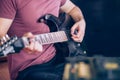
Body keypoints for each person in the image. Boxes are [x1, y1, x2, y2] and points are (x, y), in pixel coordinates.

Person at [0, 0, 86, 80]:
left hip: (59, 57)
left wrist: (81, 21)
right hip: (29, 68)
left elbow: (72, 8)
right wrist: (25, 45)